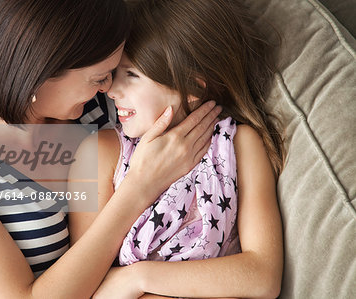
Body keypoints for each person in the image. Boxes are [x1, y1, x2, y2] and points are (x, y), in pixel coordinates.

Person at [0, 0, 221, 298]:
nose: (109, 87)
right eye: (99, 77)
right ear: (39, 71)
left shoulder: (94, 111)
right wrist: (139, 188)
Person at [68, 0, 284, 298]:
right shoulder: (101, 153)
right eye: (113, 73)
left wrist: (138, 278)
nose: (111, 90)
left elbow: (263, 278)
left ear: (193, 86)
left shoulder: (237, 146)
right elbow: (84, 286)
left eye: (131, 75)